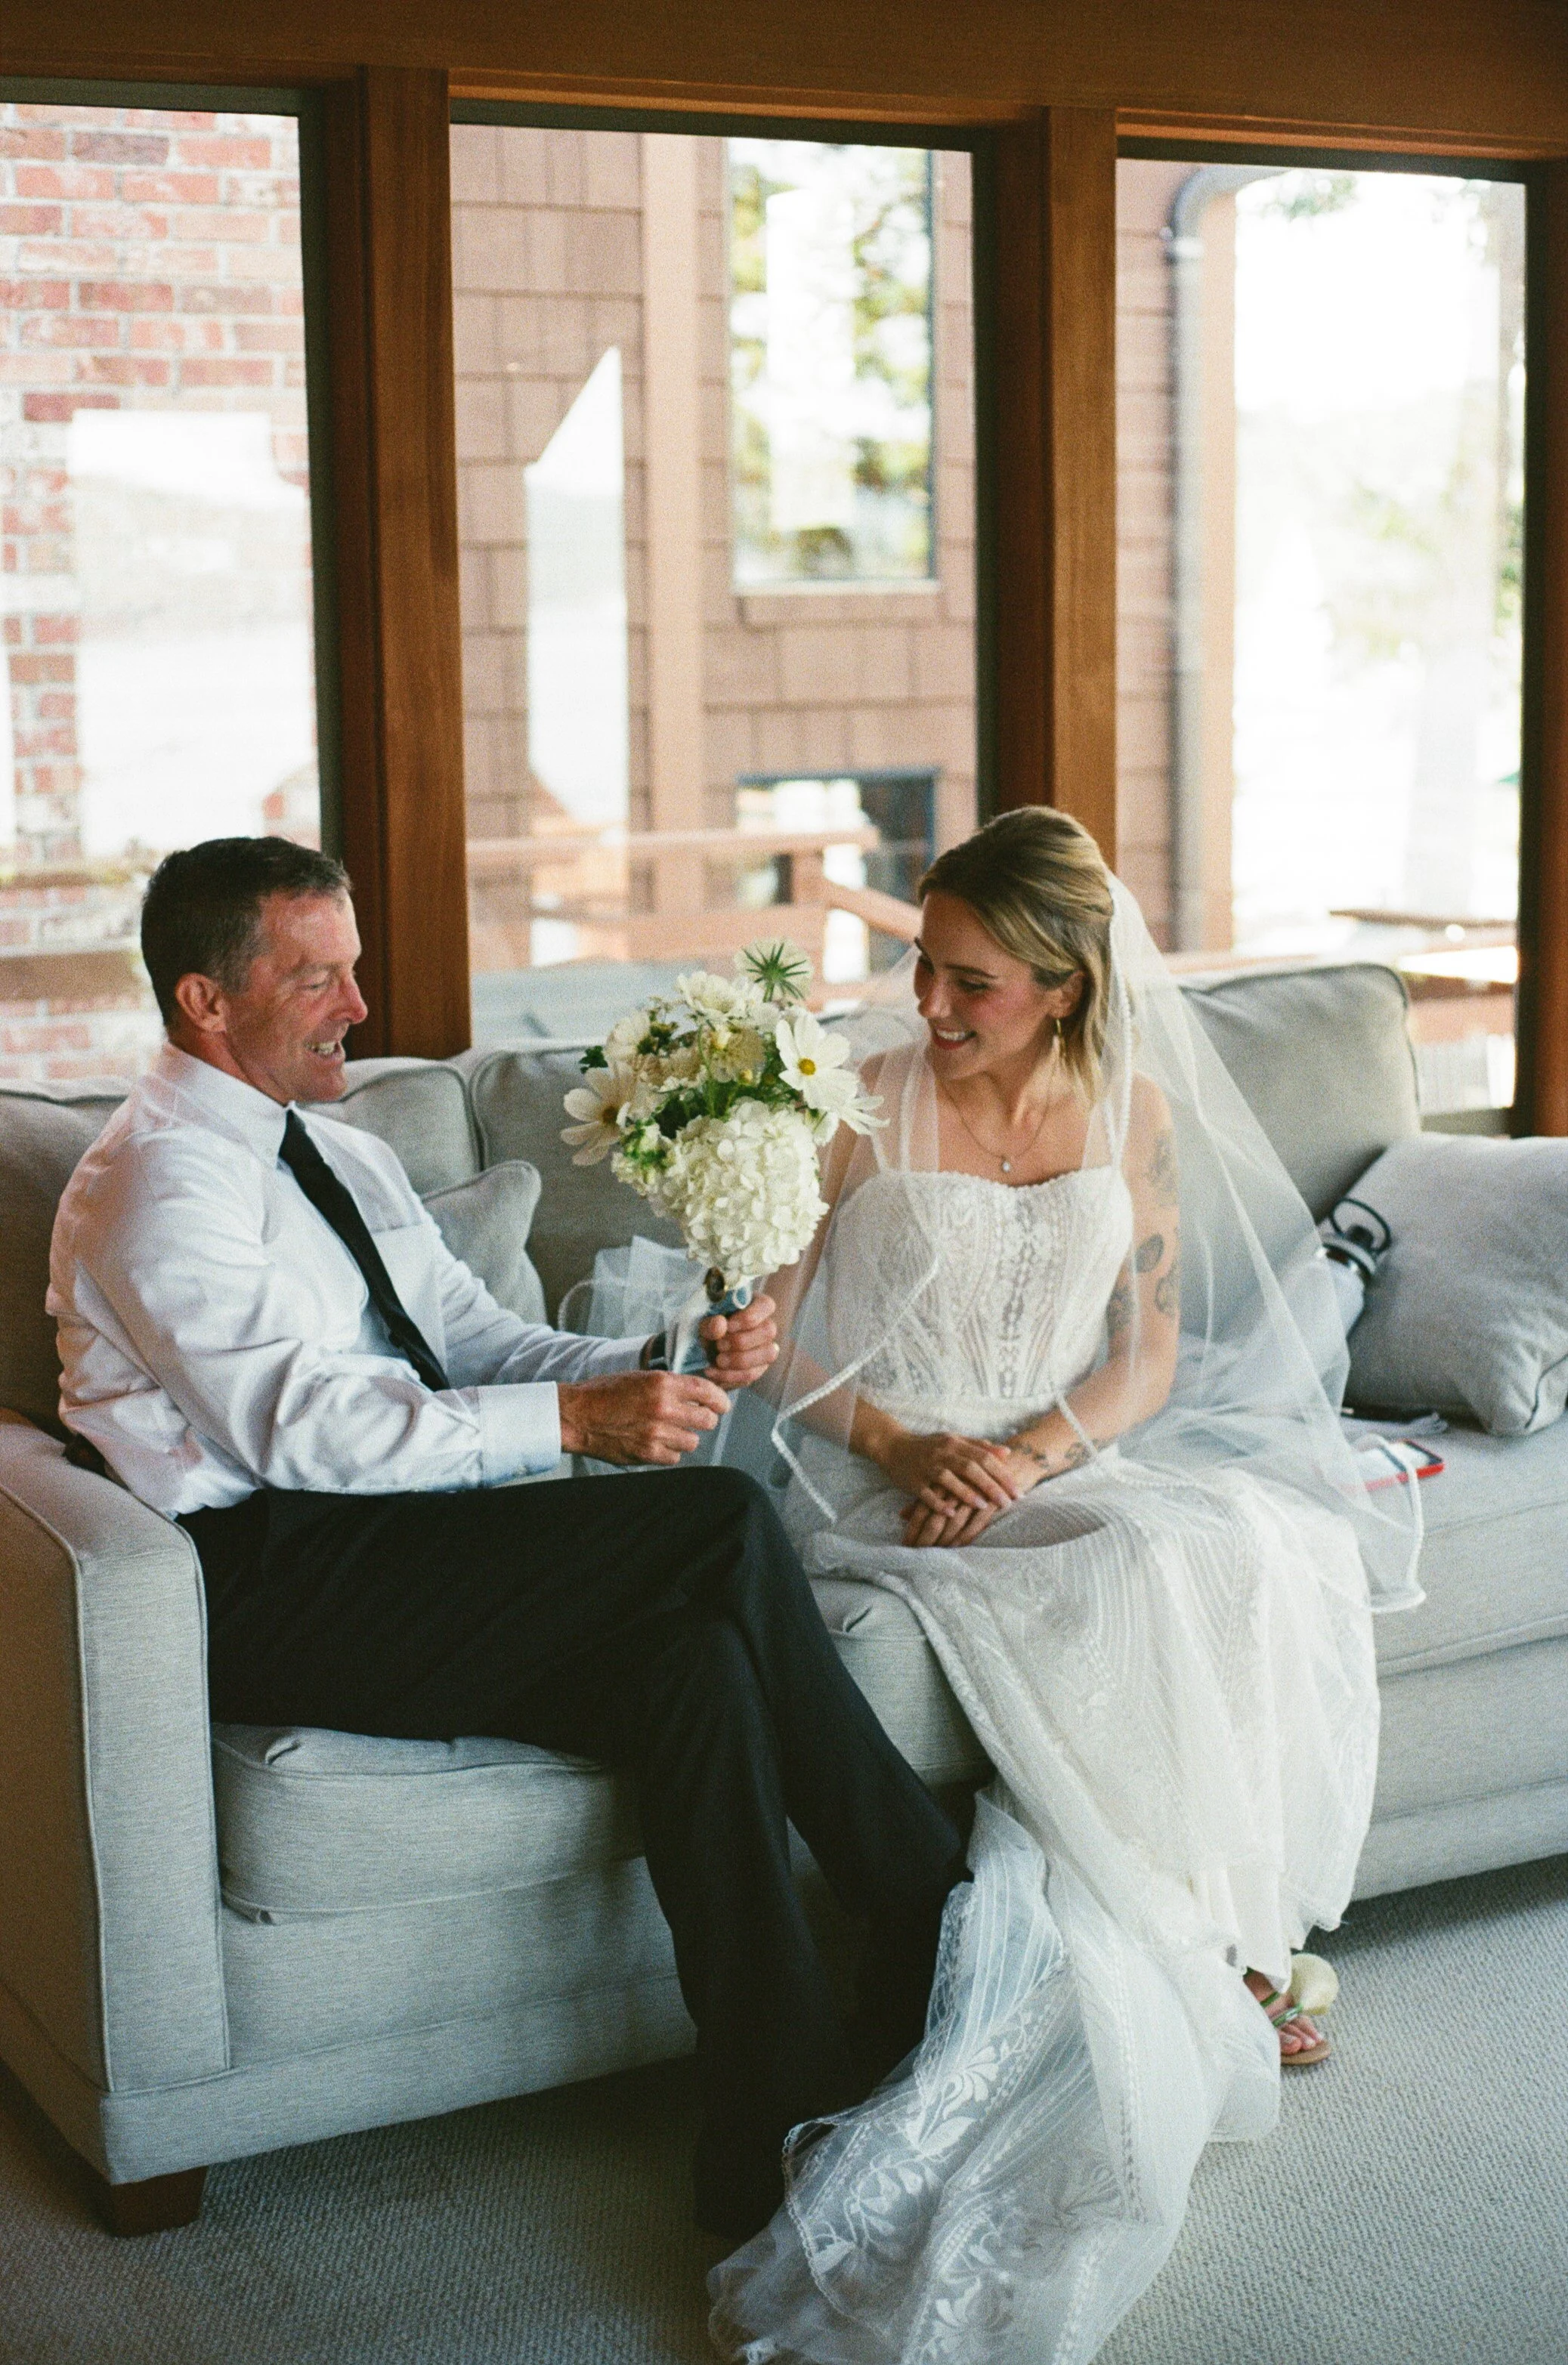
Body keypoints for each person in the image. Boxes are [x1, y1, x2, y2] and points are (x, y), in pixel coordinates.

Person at [48, 835, 968, 2244]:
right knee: (716, 1522)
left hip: (404, 1545)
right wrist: (577, 1432)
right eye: (316, 977)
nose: (359, 1005)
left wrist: (660, 1360)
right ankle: (920, 1899)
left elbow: (470, 1339)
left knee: (692, 1662)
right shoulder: (156, 1183)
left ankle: (763, 2117)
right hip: (269, 1579)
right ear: (204, 1002)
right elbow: (302, 1429)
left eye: (354, 968)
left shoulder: (338, 1151)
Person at [709, 808, 1422, 2364]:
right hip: (874, 1480)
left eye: (971, 981)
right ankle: (1202, 1959)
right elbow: (768, 1351)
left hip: (1049, 1466)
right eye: (921, 963)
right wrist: (909, 1445)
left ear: (1061, 986)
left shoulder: (1132, 1114)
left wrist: (1024, 1455)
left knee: (1239, 1543)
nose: (931, 1004)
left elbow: (1144, 1352)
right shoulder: (850, 1102)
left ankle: (1211, 1930)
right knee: (1161, 1557)